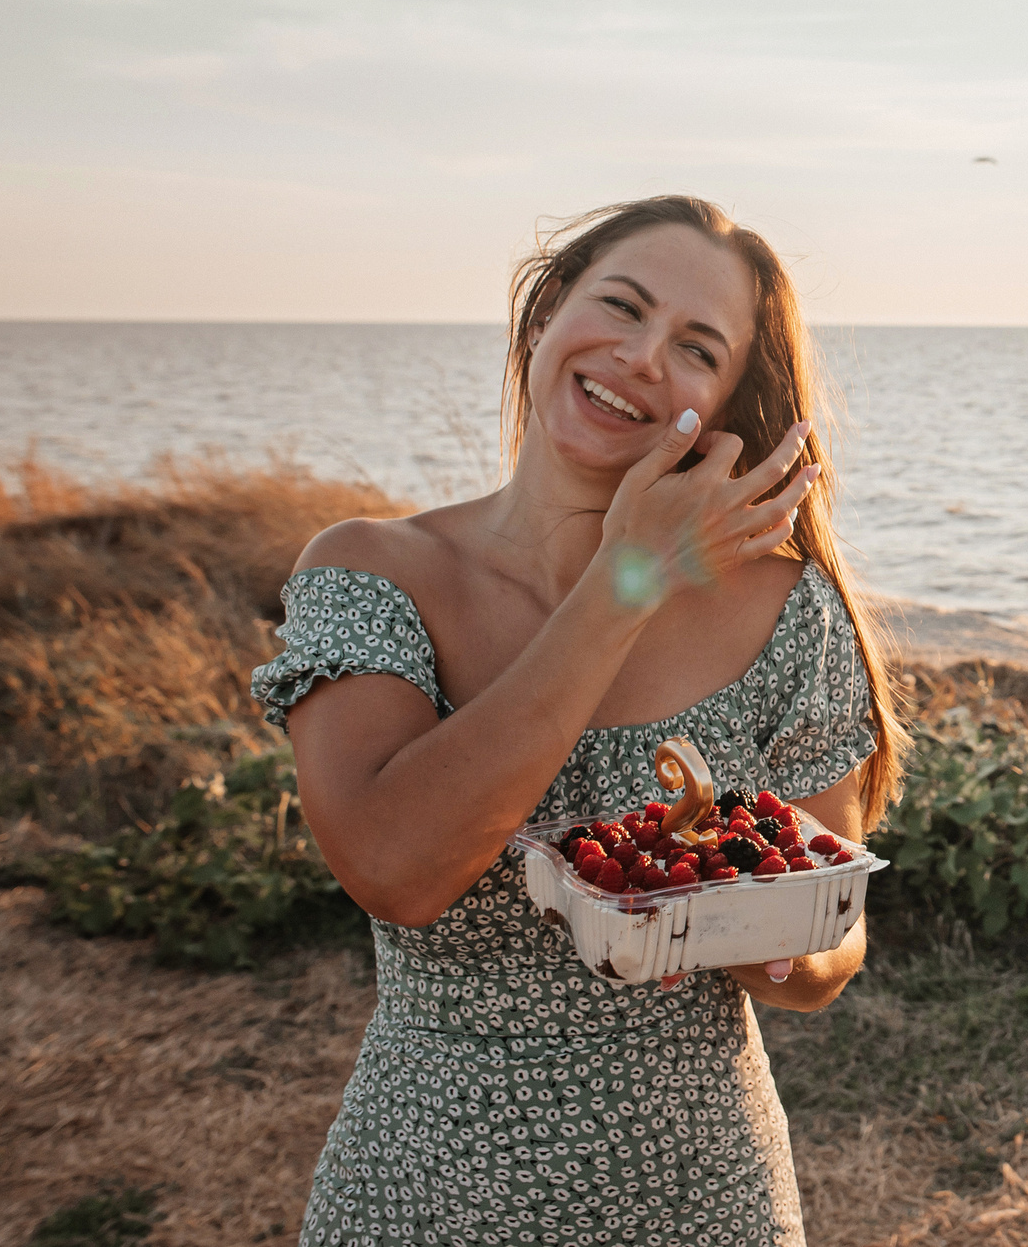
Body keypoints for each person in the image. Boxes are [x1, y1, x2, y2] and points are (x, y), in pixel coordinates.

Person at [253, 195, 905, 1246]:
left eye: (696, 346)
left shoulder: (787, 611)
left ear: (727, 400)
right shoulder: (371, 570)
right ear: (549, 309)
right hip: (430, 1190)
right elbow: (398, 866)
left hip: (705, 1198)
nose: (644, 357)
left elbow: (827, 957)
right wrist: (627, 579)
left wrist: (747, 918)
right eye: (621, 306)